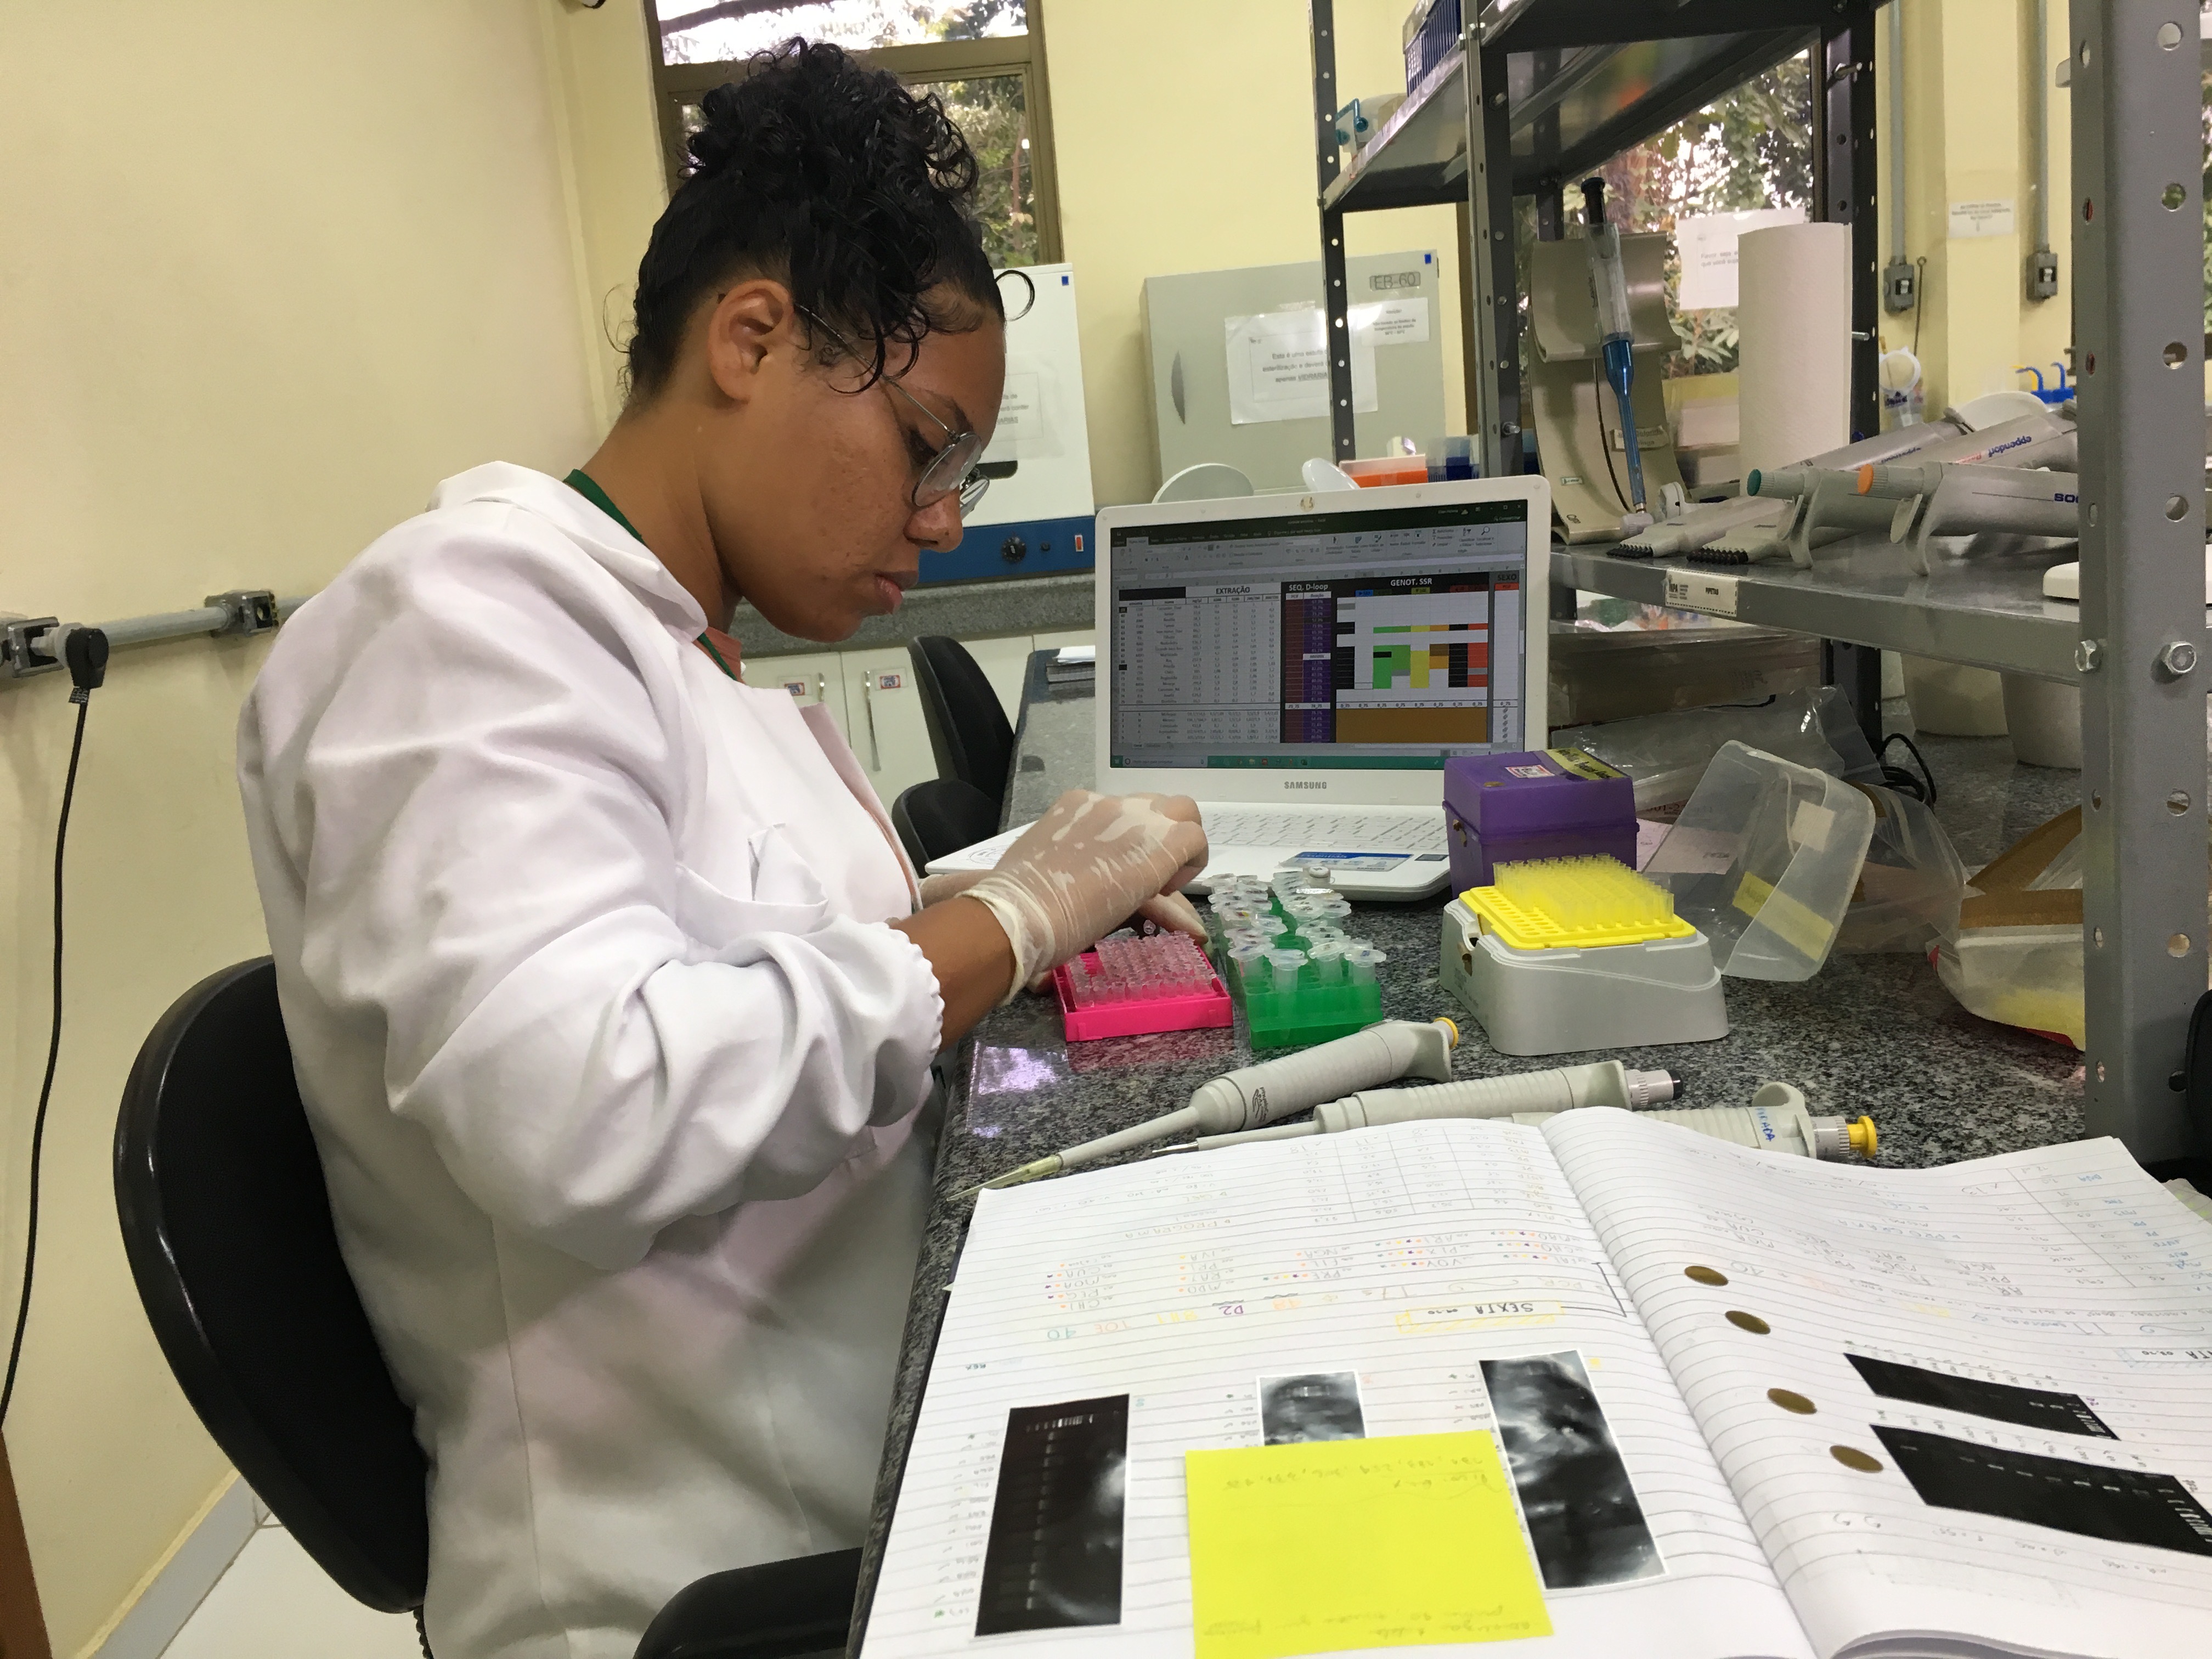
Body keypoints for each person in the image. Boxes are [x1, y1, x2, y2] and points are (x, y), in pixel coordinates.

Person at [235, 41, 1205, 1659]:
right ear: (751, 338)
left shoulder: (678, 652)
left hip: (880, 1435)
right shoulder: (459, 619)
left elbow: (760, 951)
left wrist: (1014, 890)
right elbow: (586, 1103)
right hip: (710, 1585)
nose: (943, 516)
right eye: (927, 444)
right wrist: (1019, 918)